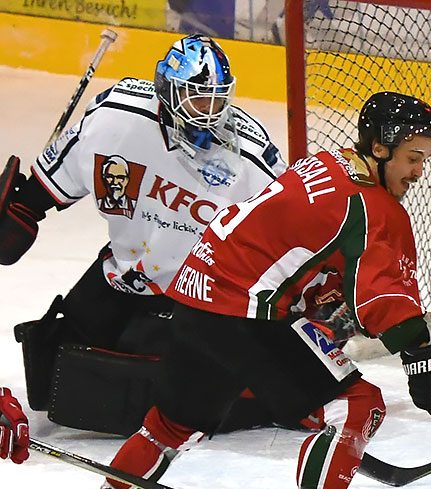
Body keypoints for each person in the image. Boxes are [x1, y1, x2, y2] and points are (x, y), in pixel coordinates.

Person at [56, 91, 431, 489]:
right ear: (380, 149)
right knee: (357, 406)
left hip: (191, 302)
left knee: (172, 423)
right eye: (413, 157)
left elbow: (303, 258)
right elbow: (384, 300)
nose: (419, 171)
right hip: (245, 318)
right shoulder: (374, 208)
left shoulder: (323, 165)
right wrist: (429, 360)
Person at [0, 34, 286, 436]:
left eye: (218, 99)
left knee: (151, 396)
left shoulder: (250, 156)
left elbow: (294, 229)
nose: (210, 113)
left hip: (200, 295)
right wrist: (24, 208)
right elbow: (52, 182)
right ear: (168, 92)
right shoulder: (113, 120)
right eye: (198, 98)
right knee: (52, 367)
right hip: (125, 272)